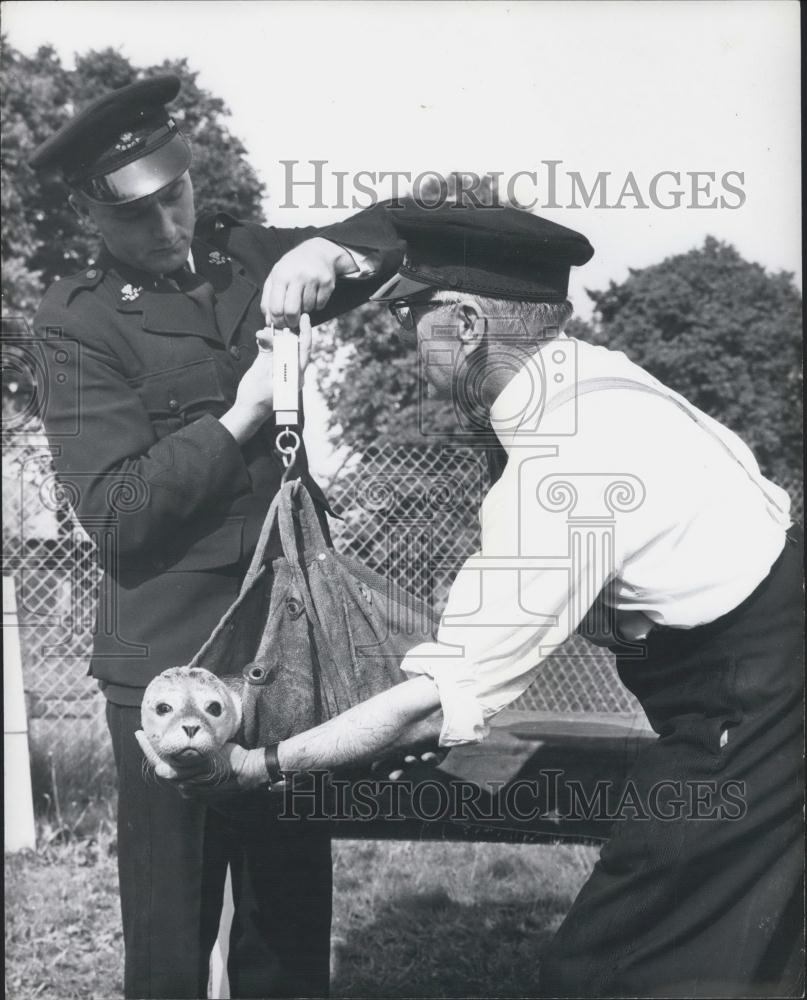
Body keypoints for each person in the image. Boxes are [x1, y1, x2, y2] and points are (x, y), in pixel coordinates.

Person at [150, 202, 804, 998]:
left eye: (405, 316)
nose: (401, 338)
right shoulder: (594, 376)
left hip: (758, 708)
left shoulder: (565, 468)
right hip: (765, 660)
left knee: (612, 971)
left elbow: (435, 705)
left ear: (463, 324)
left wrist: (257, 765)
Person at [29, 75, 403, 999]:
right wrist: (239, 418)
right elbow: (116, 513)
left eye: (177, 196)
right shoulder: (74, 322)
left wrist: (331, 251)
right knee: (170, 939)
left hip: (285, 659)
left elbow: (410, 231)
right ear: (91, 212)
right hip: (170, 670)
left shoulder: (246, 261)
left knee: (285, 935)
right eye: (138, 215)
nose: (167, 228)